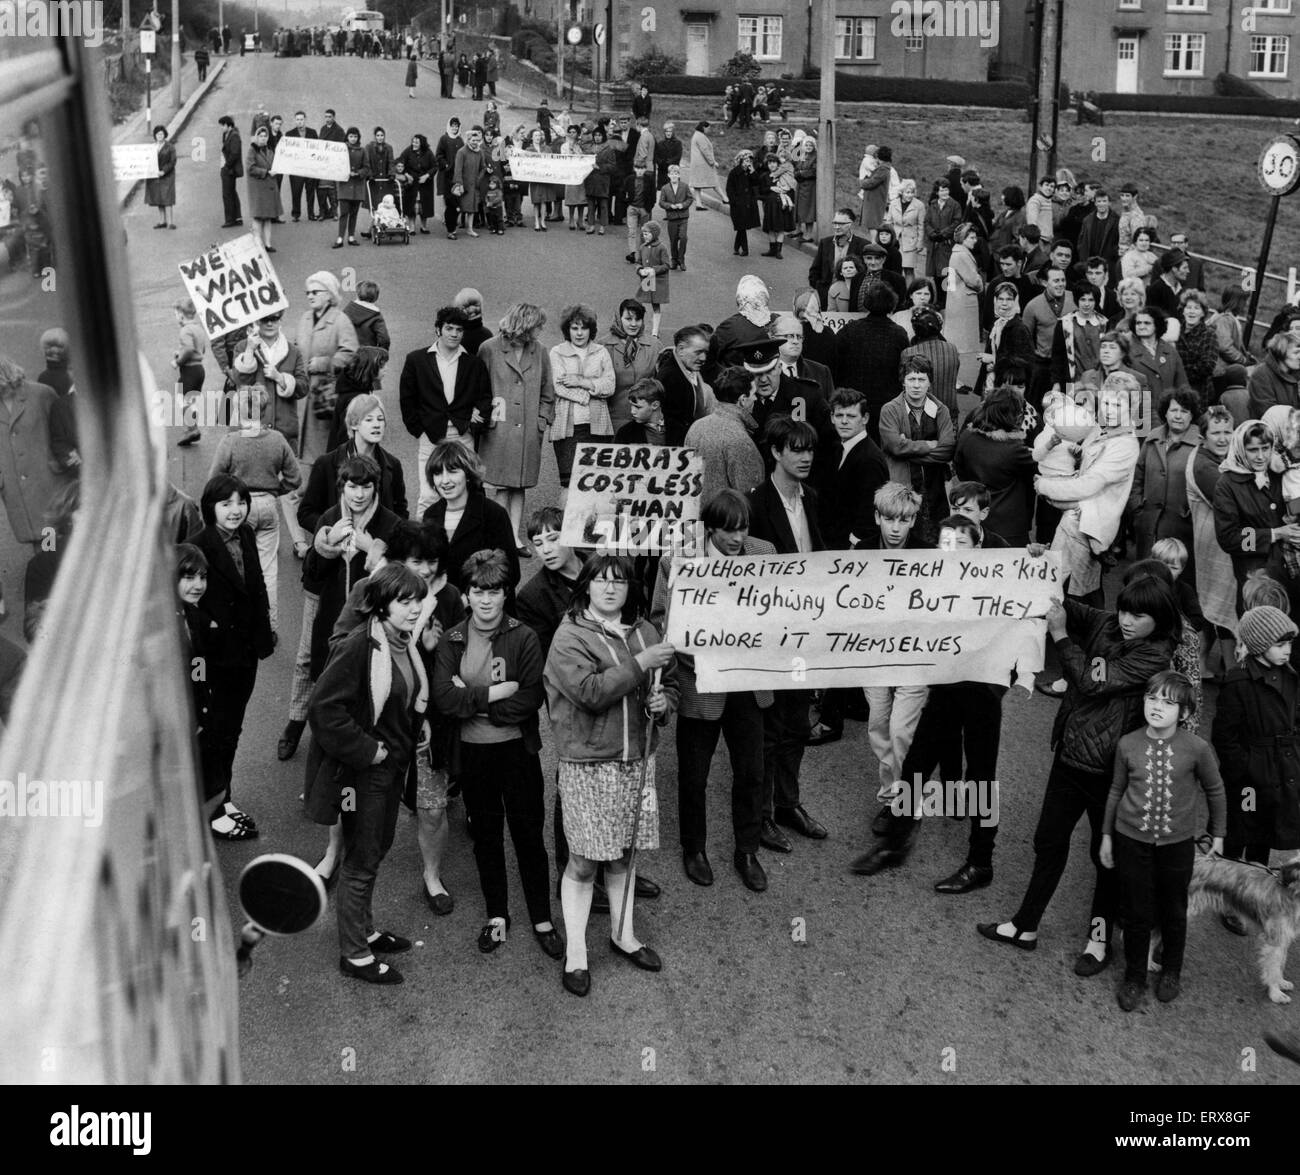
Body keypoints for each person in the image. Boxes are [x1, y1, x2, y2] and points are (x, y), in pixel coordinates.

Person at [979, 573, 1180, 966]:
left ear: (1158, 618)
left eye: (1139, 615)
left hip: (1109, 772)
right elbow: (1065, 602)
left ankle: (1099, 942)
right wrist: (1039, 566)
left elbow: (1091, 681)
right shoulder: (1108, 621)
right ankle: (1025, 925)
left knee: (1103, 858)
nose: (1126, 620)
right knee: (1048, 842)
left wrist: (1060, 636)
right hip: (1070, 756)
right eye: (1124, 610)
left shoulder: (1154, 655)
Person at [545, 553, 679, 997]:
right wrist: (641, 664)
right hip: (589, 764)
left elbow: (669, 681)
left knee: (624, 854)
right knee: (583, 860)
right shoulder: (569, 637)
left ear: (629, 588)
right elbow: (590, 693)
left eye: (618, 582)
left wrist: (666, 704)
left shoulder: (645, 631)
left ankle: (623, 935)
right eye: (600, 581)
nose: (609, 589)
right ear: (585, 587)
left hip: (638, 760)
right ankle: (577, 952)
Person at [304, 564, 429, 985]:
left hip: (392, 766)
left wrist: (417, 724)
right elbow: (323, 709)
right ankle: (355, 954)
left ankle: (364, 930)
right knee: (361, 857)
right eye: (404, 601)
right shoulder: (360, 645)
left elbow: (405, 694)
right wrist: (368, 750)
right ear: (382, 604)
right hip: (365, 774)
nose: (414, 609)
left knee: (376, 848)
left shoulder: (401, 641)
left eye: (418, 600)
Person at [432, 549, 559, 958]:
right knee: (486, 838)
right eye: (477, 591)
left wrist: (475, 700)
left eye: (494, 591)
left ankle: (542, 917)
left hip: (517, 754)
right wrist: (494, 693)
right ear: (466, 595)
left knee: (528, 836)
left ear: (506, 594)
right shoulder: (453, 638)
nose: (485, 600)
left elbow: (531, 696)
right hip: (473, 756)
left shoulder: (522, 636)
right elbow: (443, 698)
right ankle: (498, 917)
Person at [649, 490, 774, 892]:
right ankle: (694, 848)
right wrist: (695, 656)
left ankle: (747, 849)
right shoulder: (677, 559)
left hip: (746, 683)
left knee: (752, 772)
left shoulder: (764, 554)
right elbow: (659, 620)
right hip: (699, 681)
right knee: (694, 775)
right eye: (729, 531)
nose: (739, 539)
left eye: (744, 529)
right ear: (709, 529)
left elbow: (784, 611)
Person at [1100, 670, 1226, 1010]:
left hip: (1177, 846)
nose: (1157, 707)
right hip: (1131, 840)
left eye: (1168, 703)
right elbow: (1116, 790)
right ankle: (1135, 976)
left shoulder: (1197, 748)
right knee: (1136, 911)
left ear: (1184, 713)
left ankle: (1171, 970)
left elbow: (1215, 790)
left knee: (1174, 909)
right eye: (1152, 699)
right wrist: (1107, 836)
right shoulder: (1127, 744)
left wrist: (1218, 833)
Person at [746, 417, 829, 852]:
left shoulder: (812, 498)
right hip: (771, 637)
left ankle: (787, 803)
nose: (805, 457)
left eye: (809, 449)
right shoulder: (754, 504)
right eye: (795, 449)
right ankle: (760, 817)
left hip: (807, 632)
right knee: (770, 729)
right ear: (775, 452)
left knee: (798, 722)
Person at [193, 474, 275, 840]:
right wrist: (212, 629)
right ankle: (213, 808)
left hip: (245, 654)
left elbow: (254, 586)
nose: (235, 510)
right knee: (216, 733)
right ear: (210, 506)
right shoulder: (199, 545)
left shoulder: (245, 535)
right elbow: (185, 598)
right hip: (215, 659)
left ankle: (222, 797)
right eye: (226, 503)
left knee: (231, 731)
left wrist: (264, 635)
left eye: (240, 502)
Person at [1213, 605, 1300, 880]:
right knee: (1240, 832)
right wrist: (1244, 768)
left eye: (1289, 644)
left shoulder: (1290, 676)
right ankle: (1230, 889)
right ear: (1261, 644)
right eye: (1280, 644)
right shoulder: (1239, 682)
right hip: (1249, 778)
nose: (1287, 650)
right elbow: (1224, 736)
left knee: (1263, 833)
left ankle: (1255, 890)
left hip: (1281, 770)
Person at [208, 383, 301, 635]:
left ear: (239, 409)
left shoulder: (231, 441)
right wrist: (274, 490)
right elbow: (295, 479)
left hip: (239, 508)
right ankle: (269, 626)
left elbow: (214, 479)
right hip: (269, 505)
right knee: (268, 568)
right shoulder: (277, 439)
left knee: (239, 565)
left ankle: (241, 625)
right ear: (263, 409)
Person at [398, 305, 491, 517]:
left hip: (462, 436)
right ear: (438, 330)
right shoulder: (417, 360)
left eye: (459, 330)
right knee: (429, 494)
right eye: (449, 328)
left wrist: (473, 422)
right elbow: (407, 399)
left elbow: (485, 397)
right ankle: (426, 545)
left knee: (464, 491)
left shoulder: (473, 363)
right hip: (430, 436)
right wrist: (418, 429)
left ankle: (462, 542)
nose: (455, 334)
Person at [421, 440, 520, 607]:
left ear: (467, 474)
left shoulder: (493, 514)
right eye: (438, 473)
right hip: (444, 608)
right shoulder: (431, 515)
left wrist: (469, 600)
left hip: (486, 608)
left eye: (452, 471)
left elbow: (511, 573)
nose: (445, 481)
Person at [879, 355, 956, 546]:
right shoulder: (889, 410)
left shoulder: (941, 410)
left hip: (936, 487)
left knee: (944, 541)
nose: (916, 385)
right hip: (902, 485)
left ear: (929, 382)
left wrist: (908, 451)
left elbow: (947, 449)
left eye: (922, 379)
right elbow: (895, 446)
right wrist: (928, 445)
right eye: (911, 379)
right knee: (905, 539)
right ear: (903, 381)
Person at [549, 305, 615, 506]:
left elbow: (610, 385)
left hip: (599, 426)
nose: (579, 333)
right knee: (570, 484)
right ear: (567, 330)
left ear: (591, 330)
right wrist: (590, 394)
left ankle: (590, 533)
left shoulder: (601, 352)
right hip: (569, 428)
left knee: (597, 484)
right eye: (574, 328)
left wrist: (581, 381)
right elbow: (559, 386)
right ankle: (564, 534)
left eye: (583, 328)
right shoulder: (557, 352)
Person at [954, 387, 1037, 545]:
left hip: (974, 519)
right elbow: (1039, 471)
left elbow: (960, 470)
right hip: (1009, 527)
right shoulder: (1014, 449)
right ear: (1012, 416)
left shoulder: (967, 437)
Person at [1129, 388, 1201, 562]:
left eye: (1184, 411)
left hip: (1182, 528)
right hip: (1149, 525)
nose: (1178, 416)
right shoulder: (1153, 438)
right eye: (1174, 410)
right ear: (1165, 412)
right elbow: (1137, 478)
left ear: (1192, 416)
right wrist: (1138, 511)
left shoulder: (1200, 443)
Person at [684, 365, 764, 504]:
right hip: (726, 522)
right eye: (754, 394)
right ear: (743, 400)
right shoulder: (740, 440)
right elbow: (751, 499)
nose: (756, 399)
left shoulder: (696, 426)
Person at [599, 299, 661, 436]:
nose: (633, 324)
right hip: (614, 420)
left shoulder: (654, 345)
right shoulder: (604, 345)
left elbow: (660, 383)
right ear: (619, 318)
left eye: (638, 319)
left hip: (647, 420)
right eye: (628, 319)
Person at [808, 208, 866, 308]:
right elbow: (815, 270)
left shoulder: (863, 245)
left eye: (841, 224)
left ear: (850, 224)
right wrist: (820, 289)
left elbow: (864, 272)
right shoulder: (825, 243)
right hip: (827, 297)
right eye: (834, 223)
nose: (837, 227)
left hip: (852, 298)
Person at [1248, 330, 1300, 419]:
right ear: (1281, 352)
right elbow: (1268, 413)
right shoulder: (1261, 374)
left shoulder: (1296, 374)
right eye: (1296, 352)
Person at [633, 221, 670, 339]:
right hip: (646, 279)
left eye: (648, 234)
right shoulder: (642, 247)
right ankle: (639, 327)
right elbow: (638, 262)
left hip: (657, 280)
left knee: (655, 304)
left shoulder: (661, 248)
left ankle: (655, 330)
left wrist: (654, 270)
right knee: (640, 301)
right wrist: (640, 270)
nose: (645, 236)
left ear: (654, 234)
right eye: (644, 234)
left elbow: (666, 265)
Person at [925, 181, 962, 297]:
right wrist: (931, 233)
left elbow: (957, 222)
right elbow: (927, 221)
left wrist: (943, 234)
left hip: (946, 244)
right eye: (942, 190)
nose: (945, 192)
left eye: (946, 190)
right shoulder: (933, 204)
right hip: (934, 244)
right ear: (937, 192)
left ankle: (949, 300)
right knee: (936, 272)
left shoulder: (955, 205)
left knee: (947, 272)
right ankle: (940, 299)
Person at [658, 163, 694, 271]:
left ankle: (681, 259)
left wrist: (682, 205)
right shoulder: (665, 188)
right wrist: (670, 206)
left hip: (683, 217)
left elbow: (690, 198)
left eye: (676, 174)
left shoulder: (684, 186)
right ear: (668, 175)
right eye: (672, 174)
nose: (674, 176)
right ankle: (674, 260)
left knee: (683, 238)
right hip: (672, 217)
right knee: (673, 240)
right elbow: (661, 202)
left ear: (679, 175)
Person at [726, 150, 761, 258]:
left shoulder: (750, 172)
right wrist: (734, 201)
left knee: (742, 227)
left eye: (750, 160)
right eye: (746, 160)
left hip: (748, 204)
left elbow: (756, 182)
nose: (748, 162)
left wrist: (753, 172)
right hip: (737, 205)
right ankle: (745, 249)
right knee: (741, 226)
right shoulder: (734, 173)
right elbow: (729, 189)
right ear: (741, 161)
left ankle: (736, 247)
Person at [145, 126, 177, 229]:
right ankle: (162, 221)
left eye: (162, 134)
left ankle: (170, 223)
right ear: (155, 135)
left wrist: (164, 171)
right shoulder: (152, 147)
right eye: (158, 134)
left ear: (165, 135)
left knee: (168, 198)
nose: (160, 136)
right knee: (159, 198)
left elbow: (173, 162)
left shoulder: (170, 147)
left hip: (167, 176)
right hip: (155, 176)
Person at [688, 121, 724, 208]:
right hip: (703, 164)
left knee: (697, 184)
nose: (709, 130)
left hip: (697, 164)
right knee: (714, 181)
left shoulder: (697, 135)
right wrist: (713, 162)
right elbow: (705, 151)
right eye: (708, 128)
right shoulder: (700, 136)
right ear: (704, 127)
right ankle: (725, 198)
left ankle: (699, 203)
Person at [218, 115, 243, 226]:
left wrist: (226, 166)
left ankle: (230, 219)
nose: (221, 128)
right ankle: (237, 217)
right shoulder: (227, 134)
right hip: (228, 168)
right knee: (232, 192)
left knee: (227, 194)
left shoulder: (234, 136)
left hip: (229, 169)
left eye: (223, 125)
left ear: (228, 125)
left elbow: (235, 153)